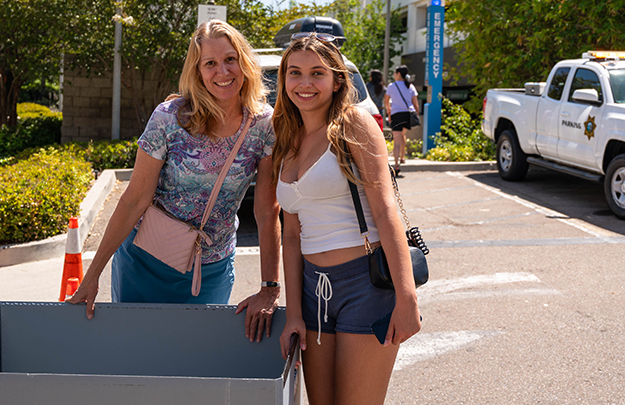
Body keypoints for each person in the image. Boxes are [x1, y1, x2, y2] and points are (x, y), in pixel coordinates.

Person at [68, 20, 282, 343]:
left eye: (230, 59)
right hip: (144, 264)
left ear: (245, 62)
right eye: (210, 63)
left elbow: (267, 212)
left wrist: (270, 287)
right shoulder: (169, 117)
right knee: (138, 365)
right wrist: (93, 273)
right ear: (197, 72)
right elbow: (134, 199)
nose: (222, 71)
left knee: (196, 368)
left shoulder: (264, 125)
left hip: (210, 271)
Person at [273, 33, 421, 404]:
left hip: (365, 285)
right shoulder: (285, 136)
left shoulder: (352, 123)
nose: (305, 83)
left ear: (338, 79)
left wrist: (407, 297)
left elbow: (385, 208)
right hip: (312, 291)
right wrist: (294, 313)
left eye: (317, 73)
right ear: (284, 79)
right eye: (295, 73)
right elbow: (291, 235)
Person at [384, 65, 419, 176]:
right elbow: (415, 104)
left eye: (395, 73)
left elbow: (386, 101)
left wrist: (388, 111)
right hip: (408, 115)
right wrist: (416, 115)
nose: (394, 75)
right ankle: (402, 157)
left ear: (398, 73)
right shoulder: (411, 86)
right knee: (402, 135)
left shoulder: (392, 86)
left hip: (396, 115)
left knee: (397, 140)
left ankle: (396, 164)